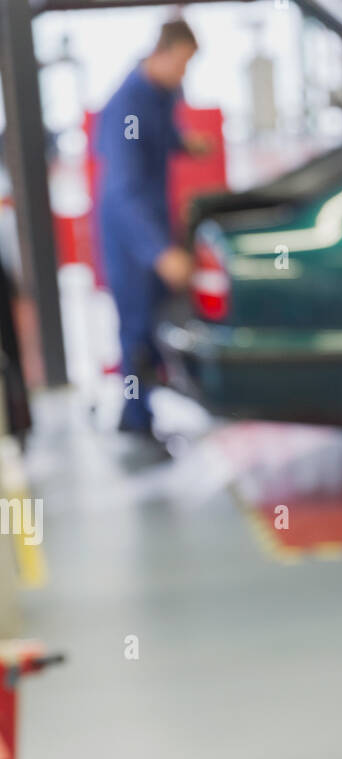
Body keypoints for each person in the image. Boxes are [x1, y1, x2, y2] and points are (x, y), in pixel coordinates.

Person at [96, 18, 209, 448]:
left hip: (154, 224)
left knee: (154, 325)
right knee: (135, 331)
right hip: (131, 237)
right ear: (159, 53)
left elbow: (160, 138)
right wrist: (159, 252)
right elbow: (121, 192)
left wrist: (186, 143)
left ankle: (146, 406)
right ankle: (133, 416)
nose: (184, 75)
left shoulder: (159, 96)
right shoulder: (128, 104)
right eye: (181, 64)